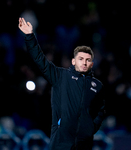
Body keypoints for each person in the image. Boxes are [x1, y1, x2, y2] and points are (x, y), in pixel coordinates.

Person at [18, 17, 106, 150]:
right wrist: (30, 36)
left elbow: (101, 109)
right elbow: (40, 60)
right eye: (80, 59)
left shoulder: (97, 85)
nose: (84, 62)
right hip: (61, 143)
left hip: (84, 144)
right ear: (73, 61)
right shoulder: (60, 76)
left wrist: (91, 128)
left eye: (88, 60)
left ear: (92, 64)